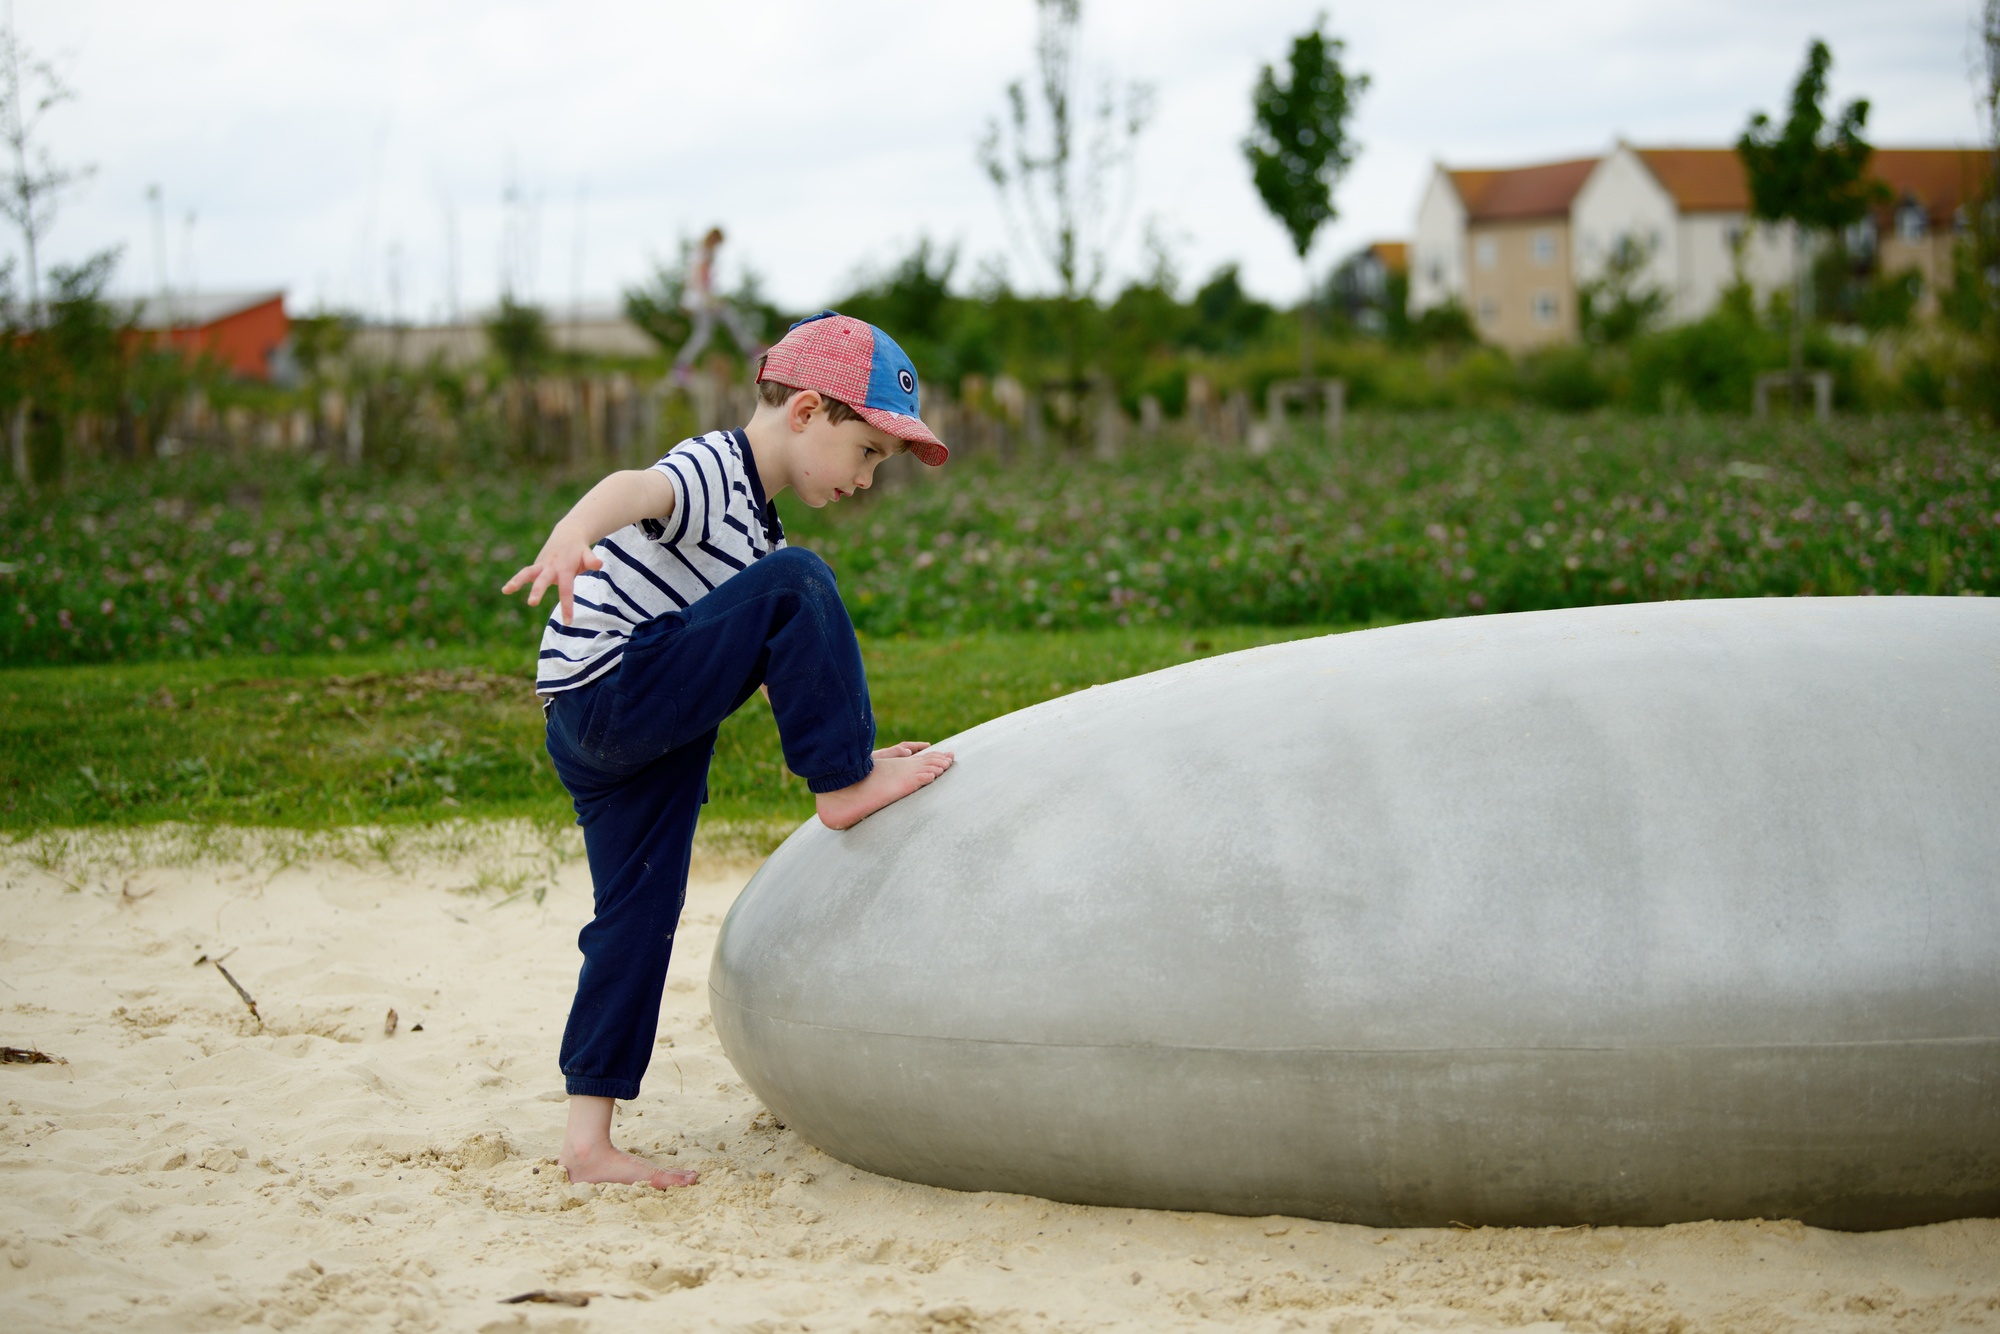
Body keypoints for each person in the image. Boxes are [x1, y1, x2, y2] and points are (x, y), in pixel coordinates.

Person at [501, 312, 955, 1190]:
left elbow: (783, 672)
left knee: (637, 917)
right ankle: (842, 786)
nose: (866, 479)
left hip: (624, 732)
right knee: (802, 582)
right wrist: (571, 535)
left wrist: (850, 744)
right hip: (610, 689)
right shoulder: (717, 469)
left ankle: (588, 1142)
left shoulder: (759, 536)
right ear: (807, 411)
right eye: (866, 452)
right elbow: (634, 486)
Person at [672, 226, 764, 380]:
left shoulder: (700, 252)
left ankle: (682, 365)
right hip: (702, 301)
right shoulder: (705, 253)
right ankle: (751, 350)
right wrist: (708, 298)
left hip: (699, 300)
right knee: (729, 319)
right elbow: (700, 276)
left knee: (704, 334)